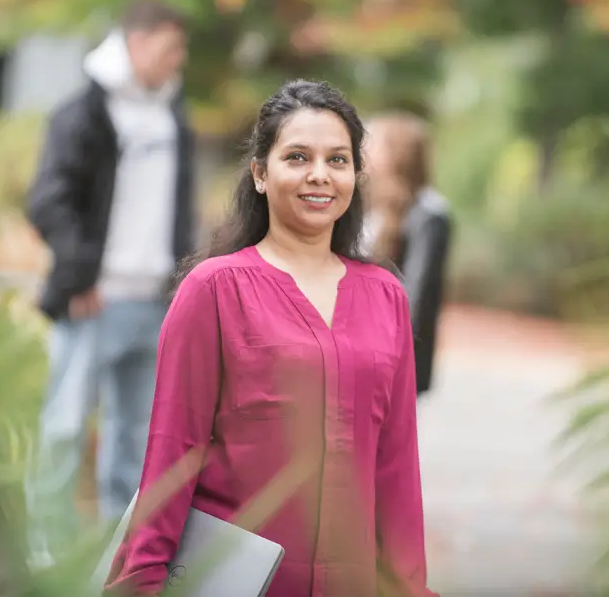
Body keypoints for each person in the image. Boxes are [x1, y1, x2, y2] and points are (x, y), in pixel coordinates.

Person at [104, 80, 436, 596]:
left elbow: (396, 466)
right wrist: (142, 580)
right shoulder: (214, 289)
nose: (319, 176)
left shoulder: (385, 296)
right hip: (238, 581)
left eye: (338, 160)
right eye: (297, 157)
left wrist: (409, 588)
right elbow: (173, 453)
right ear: (260, 172)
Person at [24, 0, 197, 563]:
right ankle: (45, 556)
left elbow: (179, 207)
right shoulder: (82, 114)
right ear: (140, 42)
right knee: (64, 430)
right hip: (92, 302)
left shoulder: (173, 115)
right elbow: (48, 201)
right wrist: (78, 277)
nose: (180, 60)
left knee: (139, 436)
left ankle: (120, 556)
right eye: (172, 48)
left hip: (155, 303)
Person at [361, 113, 452, 397]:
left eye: (374, 144)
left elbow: (418, 293)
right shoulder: (371, 208)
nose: (365, 150)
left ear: (396, 153)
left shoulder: (429, 214)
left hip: (393, 355)